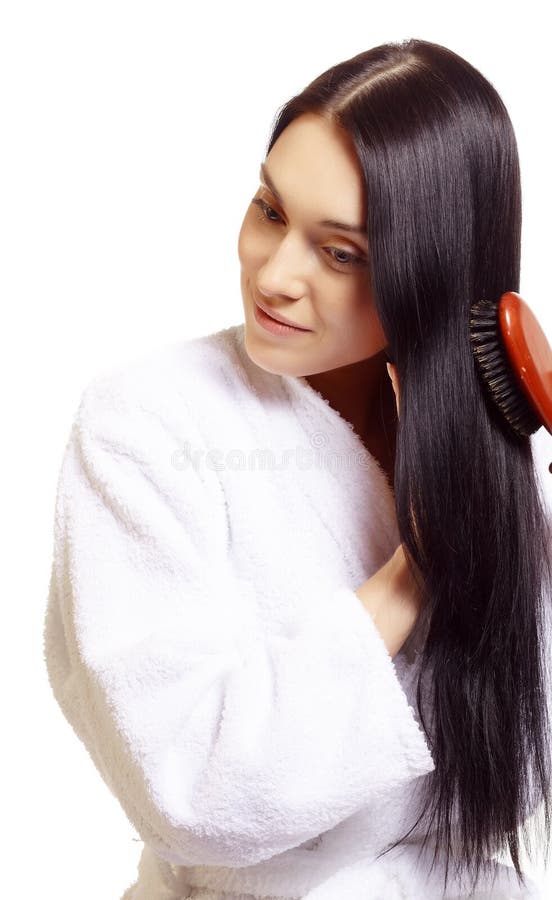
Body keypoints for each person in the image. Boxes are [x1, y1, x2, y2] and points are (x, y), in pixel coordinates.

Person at [43, 38, 552, 899]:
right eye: (270, 210)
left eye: (342, 252)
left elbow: (517, 773)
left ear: (434, 273)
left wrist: (497, 491)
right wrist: (411, 575)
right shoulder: (144, 424)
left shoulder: (486, 464)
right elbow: (188, 791)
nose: (274, 275)